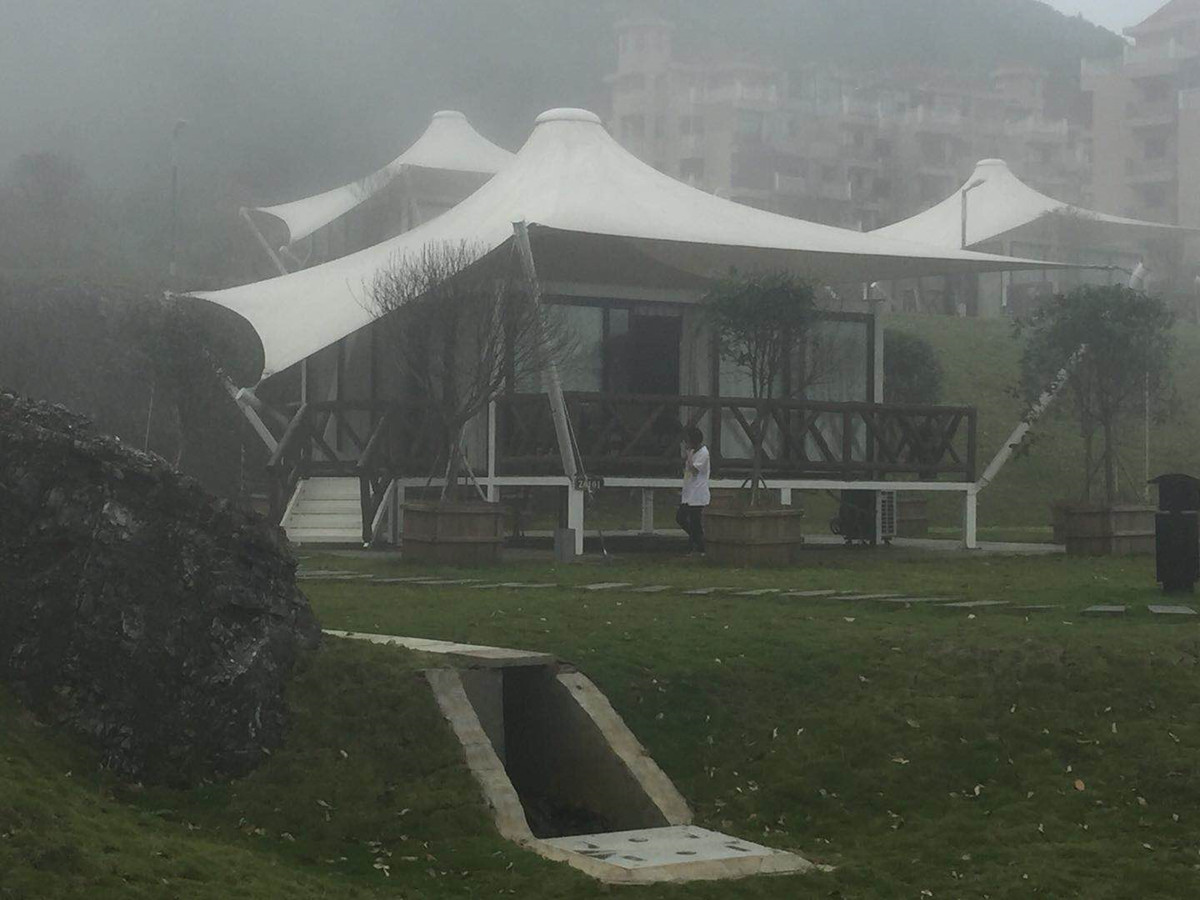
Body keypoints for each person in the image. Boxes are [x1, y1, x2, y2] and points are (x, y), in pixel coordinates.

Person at [676, 426, 710, 554]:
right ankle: (696, 542)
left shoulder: (704, 453)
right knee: (681, 518)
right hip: (689, 492)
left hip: (698, 494)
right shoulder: (694, 452)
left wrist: (689, 456)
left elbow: (694, 470)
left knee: (695, 522)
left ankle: (700, 546)